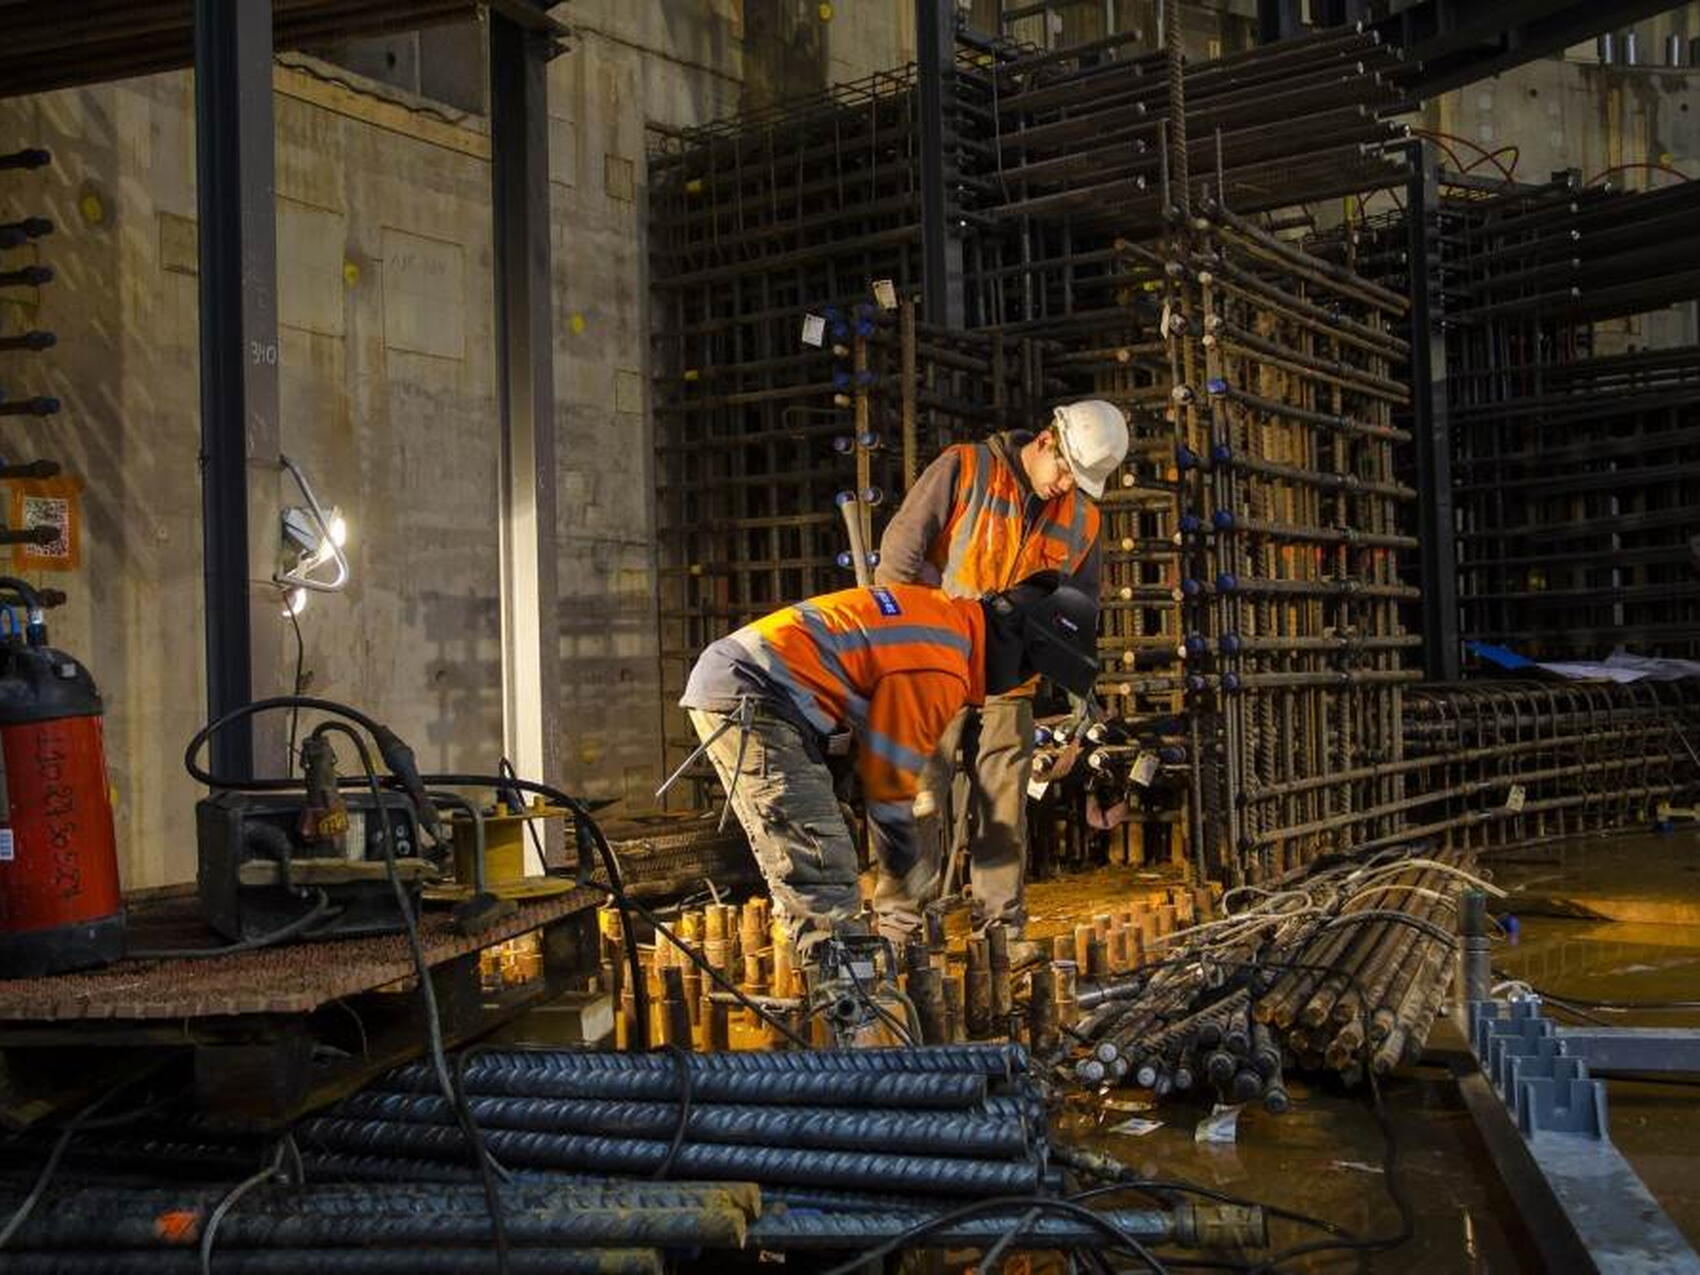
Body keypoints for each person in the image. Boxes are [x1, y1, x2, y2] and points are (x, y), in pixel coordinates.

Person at [675, 572, 1099, 961]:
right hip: (755, 691)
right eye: (1033, 669)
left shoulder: (942, 619)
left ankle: (844, 989)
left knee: (827, 835)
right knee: (821, 867)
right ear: (1018, 646)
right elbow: (889, 787)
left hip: (764, 687)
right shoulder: (940, 664)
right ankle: (851, 1017)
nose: (1029, 681)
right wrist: (907, 869)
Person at [873, 400, 1129, 942]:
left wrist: (1081, 705)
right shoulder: (965, 469)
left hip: (1010, 680)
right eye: (1064, 470)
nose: (1066, 486)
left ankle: (1001, 936)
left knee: (1004, 817)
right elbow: (899, 552)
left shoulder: (1083, 518)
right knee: (918, 802)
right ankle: (898, 932)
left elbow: (1077, 613)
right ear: (1044, 441)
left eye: (1078, 480)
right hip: (935, 665)